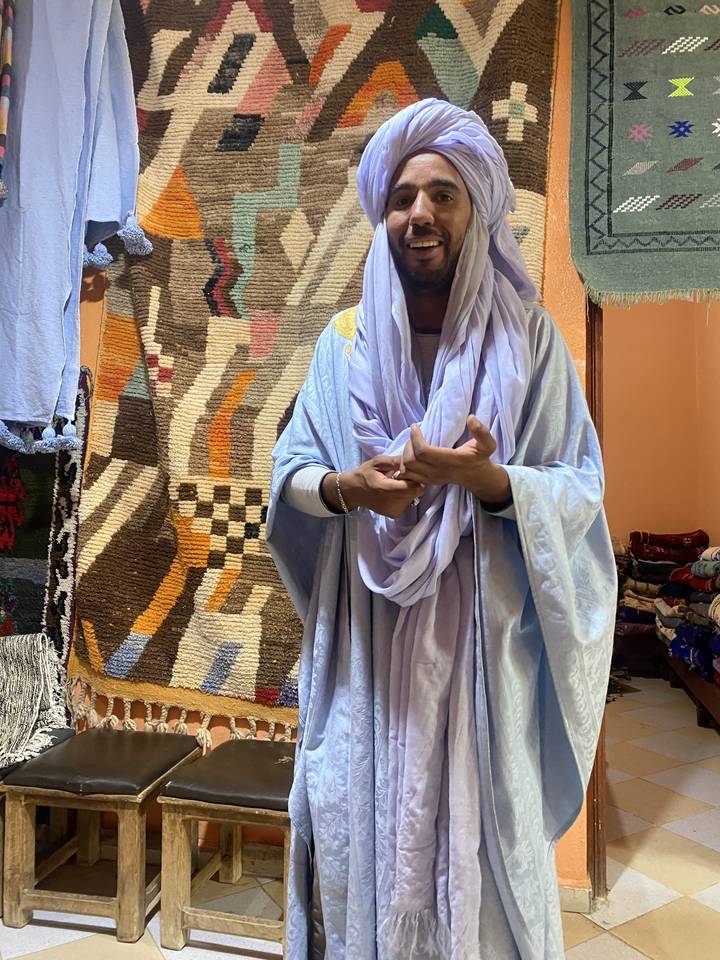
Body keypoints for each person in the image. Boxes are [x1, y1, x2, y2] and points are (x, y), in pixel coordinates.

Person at [267, 99, 616, 960]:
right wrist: (346, 489)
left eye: (443, 195)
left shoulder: (531, 343)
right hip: (369, 656)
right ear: (382, 215)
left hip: (482, 658)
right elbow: (287, 477)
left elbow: (581, 490)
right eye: (402, 197)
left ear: (479, 210)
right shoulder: (341, 346)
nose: (419, 214)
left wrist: (494, 484)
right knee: (361, 846)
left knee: (486, 875)